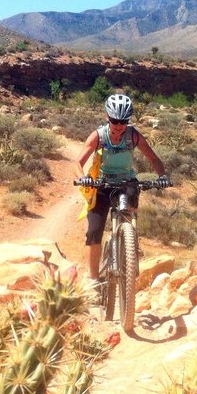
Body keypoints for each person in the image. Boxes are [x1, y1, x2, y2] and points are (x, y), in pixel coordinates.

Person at [74, 93, 170, 280]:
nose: (119, 126)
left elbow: (153, 158)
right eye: (115, 120)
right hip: (102, 183)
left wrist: (162, 176)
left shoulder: (133, 135)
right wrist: (82, 178)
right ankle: (94, 280)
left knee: (128, 216)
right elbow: (77, 162)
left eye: (123, 121)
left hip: (126, 182)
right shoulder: (98, 136)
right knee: (94, 230)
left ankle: (129, 249)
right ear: (107, 117)